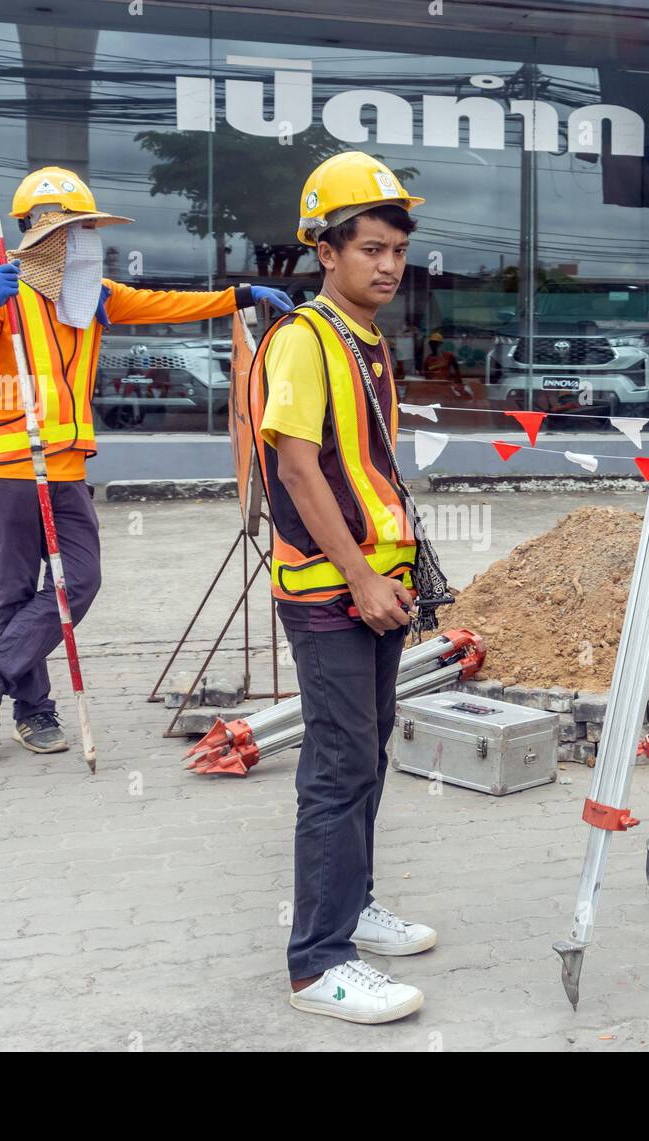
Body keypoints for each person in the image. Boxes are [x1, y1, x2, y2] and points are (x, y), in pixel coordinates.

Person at [0, 166, 291, 763]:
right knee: (16, 590)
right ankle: (34, 711)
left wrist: (242, 295)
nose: (80, 240)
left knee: (80, 579)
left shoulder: (93, 295)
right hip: (5, 465)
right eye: (69, 230)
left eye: (86, 229)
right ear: (35, 233)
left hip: (66, 466)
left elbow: (168, 304)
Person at [252, 151, 434, 1024]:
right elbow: (295, 467)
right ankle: (318, 960)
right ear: (325, 251)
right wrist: (361, 576)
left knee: (365, 758)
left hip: (374, 591)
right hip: (332, 593)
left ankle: (353, 907)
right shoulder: (304, 339)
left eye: (397, 249)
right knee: (336, 767)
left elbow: (360, 467)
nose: (388, 264)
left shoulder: (365, 344)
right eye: (370, 247)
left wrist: (389, 574)